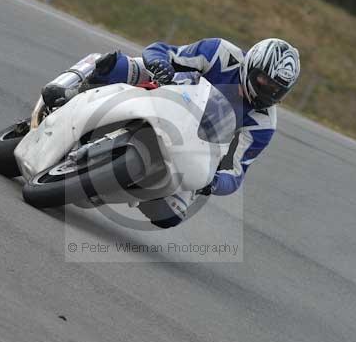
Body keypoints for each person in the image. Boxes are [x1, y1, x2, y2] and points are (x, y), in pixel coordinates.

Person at [42, 38, 301, 228]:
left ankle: (115, 183)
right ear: (250, 64)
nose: (267, 91)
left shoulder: (263, 124)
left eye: (276, 89)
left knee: (169, 215)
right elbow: (162, 50)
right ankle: (70, 91)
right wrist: (160, 65)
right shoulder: (221, 53)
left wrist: (212, 183)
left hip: (194, 144)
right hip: (167, 94)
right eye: (262, 81)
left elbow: (235, 173)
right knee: (118, 65)